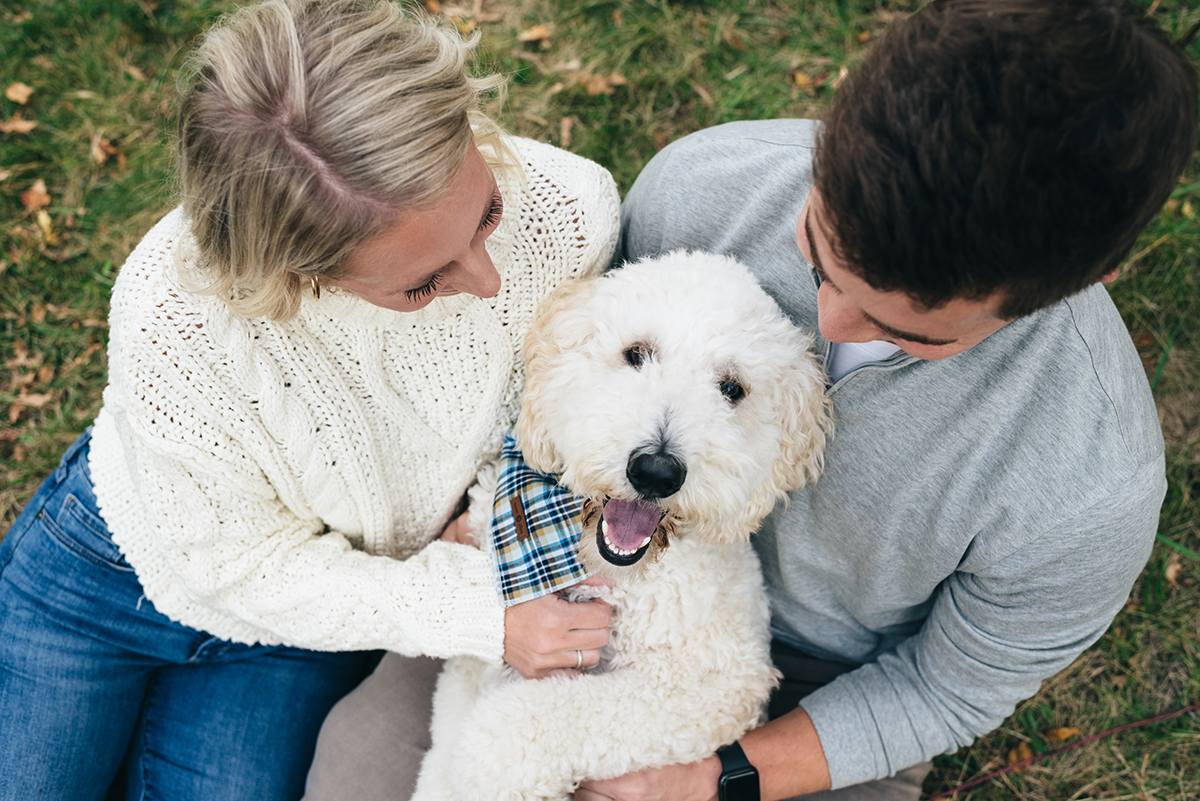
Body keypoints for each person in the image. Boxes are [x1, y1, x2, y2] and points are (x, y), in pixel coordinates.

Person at [574, 1, 1197, 800]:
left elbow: (944, 688)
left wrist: (710, 778)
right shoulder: (700, 187)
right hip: (580, 559)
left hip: (816, 693)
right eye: (815, 250)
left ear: (1084, 281)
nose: (825, 323)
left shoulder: (1092, 485)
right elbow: (570, 372)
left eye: (915, 334)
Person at [0, 0, 619, 798]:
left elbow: (570, 417)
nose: (490, 282)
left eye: (487, 214)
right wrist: (478, 610)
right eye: (423, 283)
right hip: (103, 581)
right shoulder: (173, 316)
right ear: (295, 273)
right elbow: (245, 567)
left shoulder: (573, 215)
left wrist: (485, 507)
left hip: (311, 627)